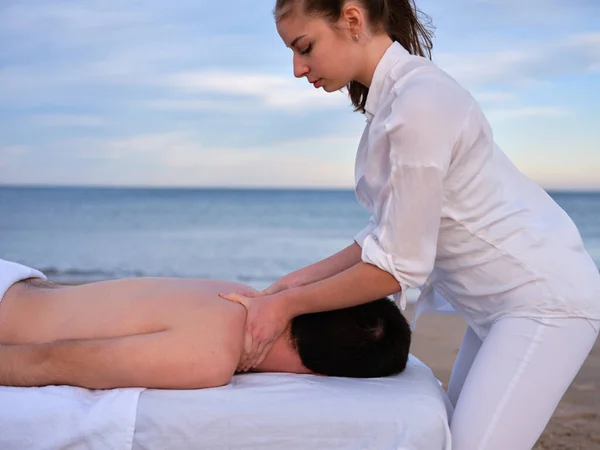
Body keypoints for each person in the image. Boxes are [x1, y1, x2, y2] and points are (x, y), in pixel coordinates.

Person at [219, 1, 600, 448]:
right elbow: (381, 238)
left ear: (352, 20)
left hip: (545, 301)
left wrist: (286, 308)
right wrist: (285, 286)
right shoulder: (394, 102)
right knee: (446, 436)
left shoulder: (419, 103)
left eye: (305, 47)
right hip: (495, 308)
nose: (298, 69)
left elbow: (396, 267)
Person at [0, 269, 411, 390]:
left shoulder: (241, 293)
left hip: (18, 283)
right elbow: (53, 360)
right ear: (321, 375)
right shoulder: (211, 358)